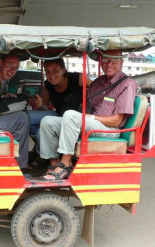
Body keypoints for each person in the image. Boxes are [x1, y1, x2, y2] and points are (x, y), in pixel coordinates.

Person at [40, 50, 137, 180]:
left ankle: (66, 163)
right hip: (92, 124)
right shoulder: (98, 82)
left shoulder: (127, 84)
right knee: (47, 121)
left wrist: (89, 117)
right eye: (105, 60)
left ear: (121, 62)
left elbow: (116, 121)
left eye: (113, 60)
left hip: (109, 130)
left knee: (71, 115)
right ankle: (54, 161)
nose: (109, 64)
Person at [27, 58, 92, 169]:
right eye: (47, 71)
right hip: (59, 115)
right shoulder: (48, 84)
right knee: (26, 117)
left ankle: (43, 155)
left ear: (63, 70)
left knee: (41, 131)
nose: (51, 75)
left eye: (55, 70)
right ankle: (40, 148)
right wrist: (41, 104)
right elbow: (45, 107)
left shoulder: (78, 78)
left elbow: (99, 90)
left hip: (76, 118)